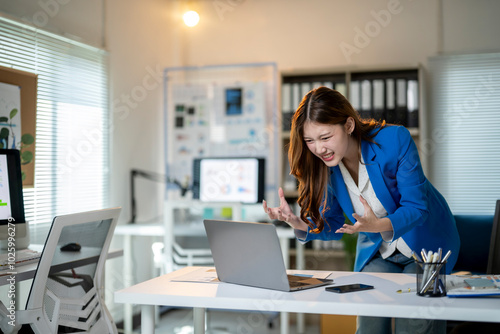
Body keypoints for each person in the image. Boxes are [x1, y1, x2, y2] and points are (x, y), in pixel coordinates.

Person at [263, 86, 460, 334]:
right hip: (379, 252)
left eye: (325, 137)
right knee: (368, 323)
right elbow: (335, 227)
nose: (319, 148)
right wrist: (299, 224)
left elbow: (417, 208)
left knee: (415, 325)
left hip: (428, 247)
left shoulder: (395, 139)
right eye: (310, 140)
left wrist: (378, 225)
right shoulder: (326, 166)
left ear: (348, 125)